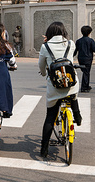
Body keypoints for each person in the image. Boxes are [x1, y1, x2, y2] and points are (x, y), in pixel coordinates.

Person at [38, 21, 81, 158]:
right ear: (64, 32)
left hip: (55, 87)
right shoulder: (70, 43)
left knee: (50, 117)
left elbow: (41, 65)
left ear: (49, 33)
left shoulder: (45, 46)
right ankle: (77, 116)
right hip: (71, 84)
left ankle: (44, 150)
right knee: (72, 94)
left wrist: (44, 74)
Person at [74, 25, 95, 93]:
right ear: (89, 33)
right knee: (86, 72)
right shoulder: (90, 41)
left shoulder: (78, 41)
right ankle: (84, 87)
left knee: (85, 72)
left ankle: (86, 86)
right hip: (88, 59)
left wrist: (70, 56)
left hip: (80, 59)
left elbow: (75, 51)